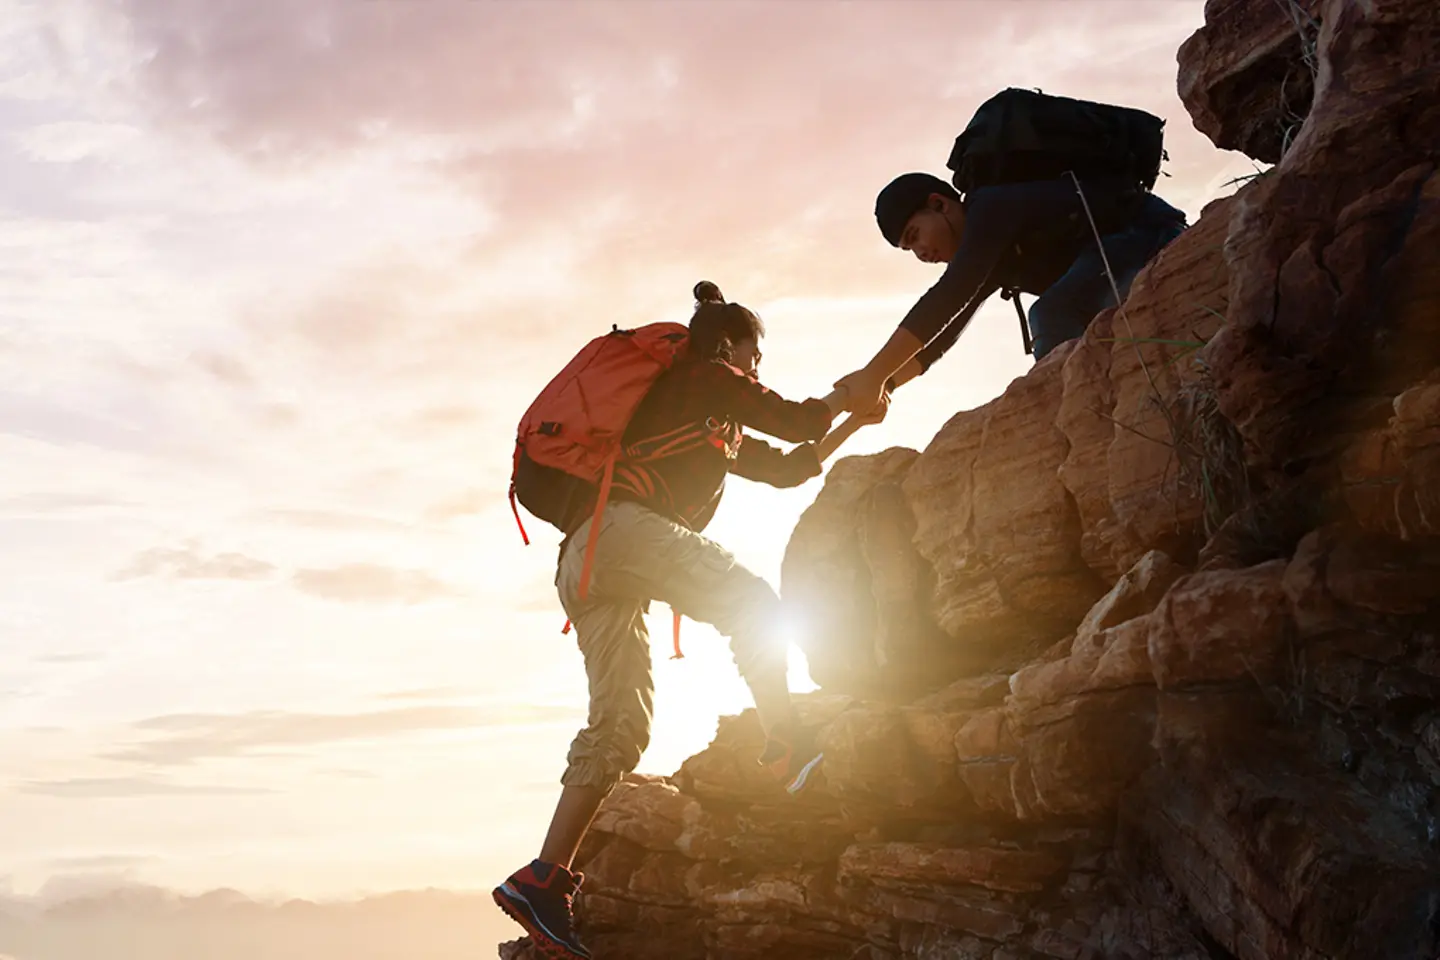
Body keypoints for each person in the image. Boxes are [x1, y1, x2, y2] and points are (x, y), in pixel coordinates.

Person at [493, 281, 885, 960]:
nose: (755, 370)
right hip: (622, 533)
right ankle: (787, 742)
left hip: (585, 561)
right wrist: (852, 392)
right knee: (752, 605)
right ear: (729, 346)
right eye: (754, 356)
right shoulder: (706, 376)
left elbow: (789, 468)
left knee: (620, 726)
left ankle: (543, 879)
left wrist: (857, 421)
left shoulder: (710, 420)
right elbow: (797, 421)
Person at [833, 170, 1188, 414]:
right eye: (909, 249)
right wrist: (886, 385)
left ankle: (1083, 416)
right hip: (1112, 263)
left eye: (915, 235)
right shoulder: (990, 256)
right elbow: (943, 336)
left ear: (939, 204)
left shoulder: (991, 208)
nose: (920, 253)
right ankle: (1087, 413)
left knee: (1049, 313)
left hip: (1149, 232)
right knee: (1058, 313)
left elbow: (949, 295)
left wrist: (873, 374)